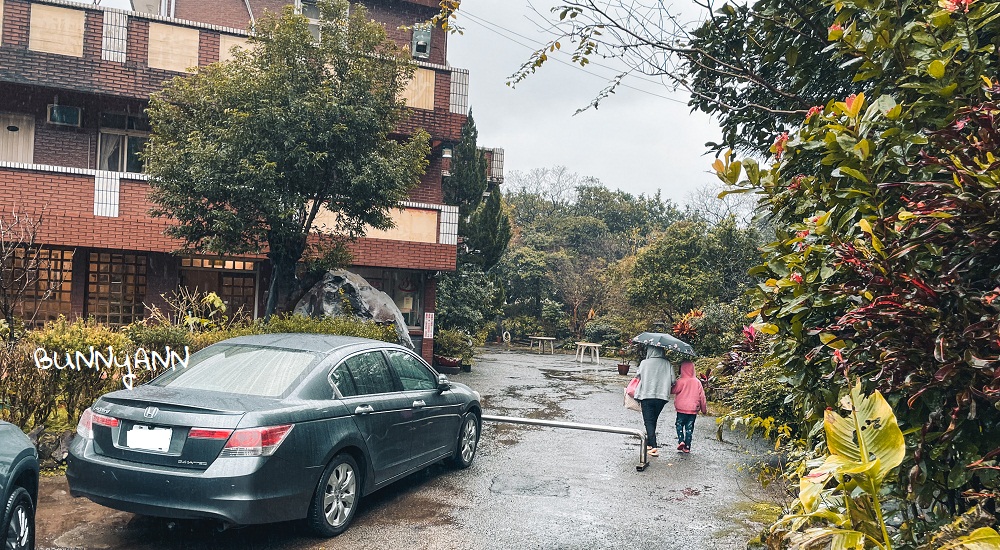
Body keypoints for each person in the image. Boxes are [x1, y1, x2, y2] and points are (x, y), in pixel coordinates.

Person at [633, 346, 674, 457]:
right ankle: (650, 444)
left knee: (648, 421)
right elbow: (673, 380)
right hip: (662, 397)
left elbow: (638, 375)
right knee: (653, 419)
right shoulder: (667, 364)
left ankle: (654, 446)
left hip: (646, 395)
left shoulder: (644, 363)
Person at [672, 359, 707, 453]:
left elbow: (673, 391)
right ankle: (687, 447)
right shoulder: (697, 382)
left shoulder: (681, 381)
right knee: (689, 427)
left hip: (681, 408)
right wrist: (704, 409)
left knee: (679, 424)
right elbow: (702, 396)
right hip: (693, 409)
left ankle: (681, 440)